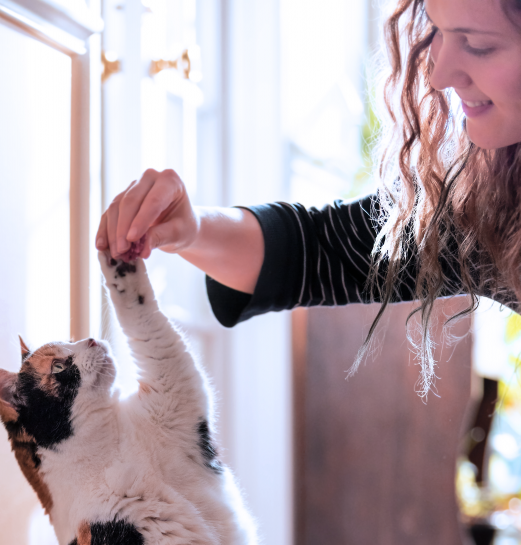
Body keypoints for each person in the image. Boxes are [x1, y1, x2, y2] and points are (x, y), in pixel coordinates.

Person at [96, 0, 521, 395]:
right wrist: (191, 229)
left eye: (479, 46)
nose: (438, 74)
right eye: (438, 32)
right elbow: (319, 251)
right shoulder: (490, 205)